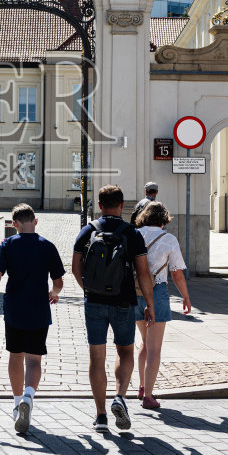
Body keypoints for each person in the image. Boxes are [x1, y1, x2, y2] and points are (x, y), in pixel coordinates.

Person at [73, 184, 156, 433]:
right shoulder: (132, 233)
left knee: (96, 357)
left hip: (94, 302)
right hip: (124, 301)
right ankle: (119, 396)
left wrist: (89, 289)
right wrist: (150, 304)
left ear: (99, 205)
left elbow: (75, 268)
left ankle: (100, 416)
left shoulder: (88, 231)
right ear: (122, 205)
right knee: (125, 351)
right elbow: (143, 273)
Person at [0, 203, 65, 435]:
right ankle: (29, 396)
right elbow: (58, 282)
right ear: (35, 222)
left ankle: (17, 404)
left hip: (14, 310)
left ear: (14, 224)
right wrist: (54, 294)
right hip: (39, 310)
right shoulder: (47, 246)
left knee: (15, 356)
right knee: (34, 360)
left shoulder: (7, 245)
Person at [133, 201, 191, 410]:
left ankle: (141, 386)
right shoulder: (168, 239)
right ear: (164, 219)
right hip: (156, 291)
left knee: (144, 342)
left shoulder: (135, 234)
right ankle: (148, 396)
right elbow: (176, 273)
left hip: (135, 290)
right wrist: (185, 296)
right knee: (155, 347)